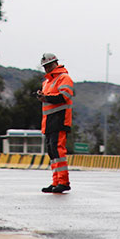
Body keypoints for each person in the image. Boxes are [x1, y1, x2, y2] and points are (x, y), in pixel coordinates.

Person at [36, 52, 74, 194]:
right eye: (45, 67)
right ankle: (56, 181)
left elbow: (64, 96)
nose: (47, 69)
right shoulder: (46, 83)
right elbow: (49, 99)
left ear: (56, 64)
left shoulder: (64, 78)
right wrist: (42, 97)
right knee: (52, 152)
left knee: (58, 150)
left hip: (60, 120)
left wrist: (46, 97)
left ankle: (63, 182)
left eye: (49, 66)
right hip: (48, 121)